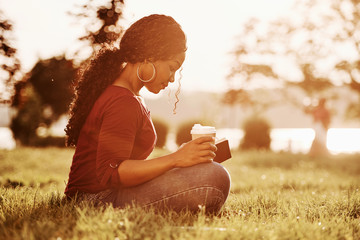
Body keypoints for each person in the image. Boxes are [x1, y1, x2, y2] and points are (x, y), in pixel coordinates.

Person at [64, 14, 231, 214]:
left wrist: (182, 158)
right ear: (149, 56)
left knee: (207, 172)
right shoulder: (122, 101)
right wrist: (175, 159)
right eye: (171, 68)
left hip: (106, 194)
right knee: (214, 176)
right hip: (95, 201)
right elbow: (112, 172)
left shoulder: (127, 95)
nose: (172, 78)